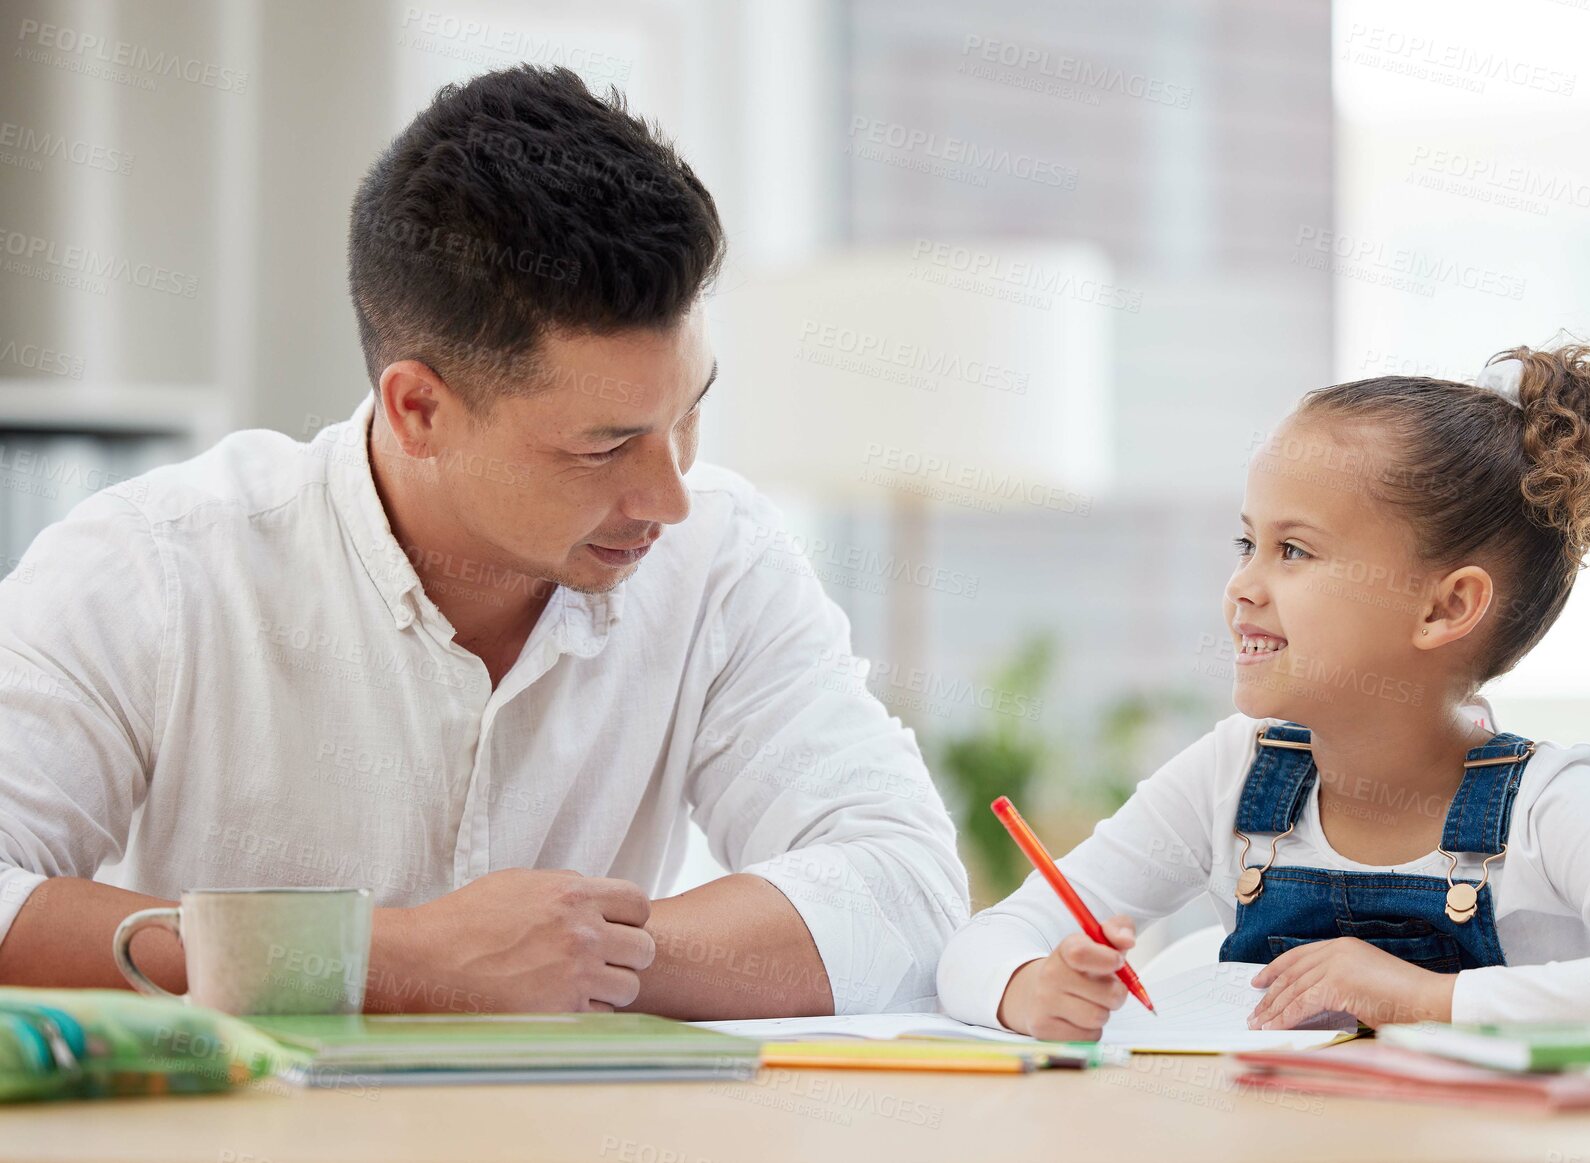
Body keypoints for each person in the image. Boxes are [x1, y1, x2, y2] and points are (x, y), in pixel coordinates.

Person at [0, 64, 967, 1019]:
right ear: (419, 409)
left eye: (688, 414)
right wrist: (402, 961)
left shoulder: (724, 561)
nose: (669, 496)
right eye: (605, 445)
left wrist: (575, 956)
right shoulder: (154, 566)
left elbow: (905, 884)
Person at [938, 343, 1590, 1041]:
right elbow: (986, 938)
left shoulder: (1549, 803)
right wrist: (1025, 987)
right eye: (1248, 542)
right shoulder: (1230, 774)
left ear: (1446, 606)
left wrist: (1429, 997)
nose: (1242, 585)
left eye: (1294, 550)